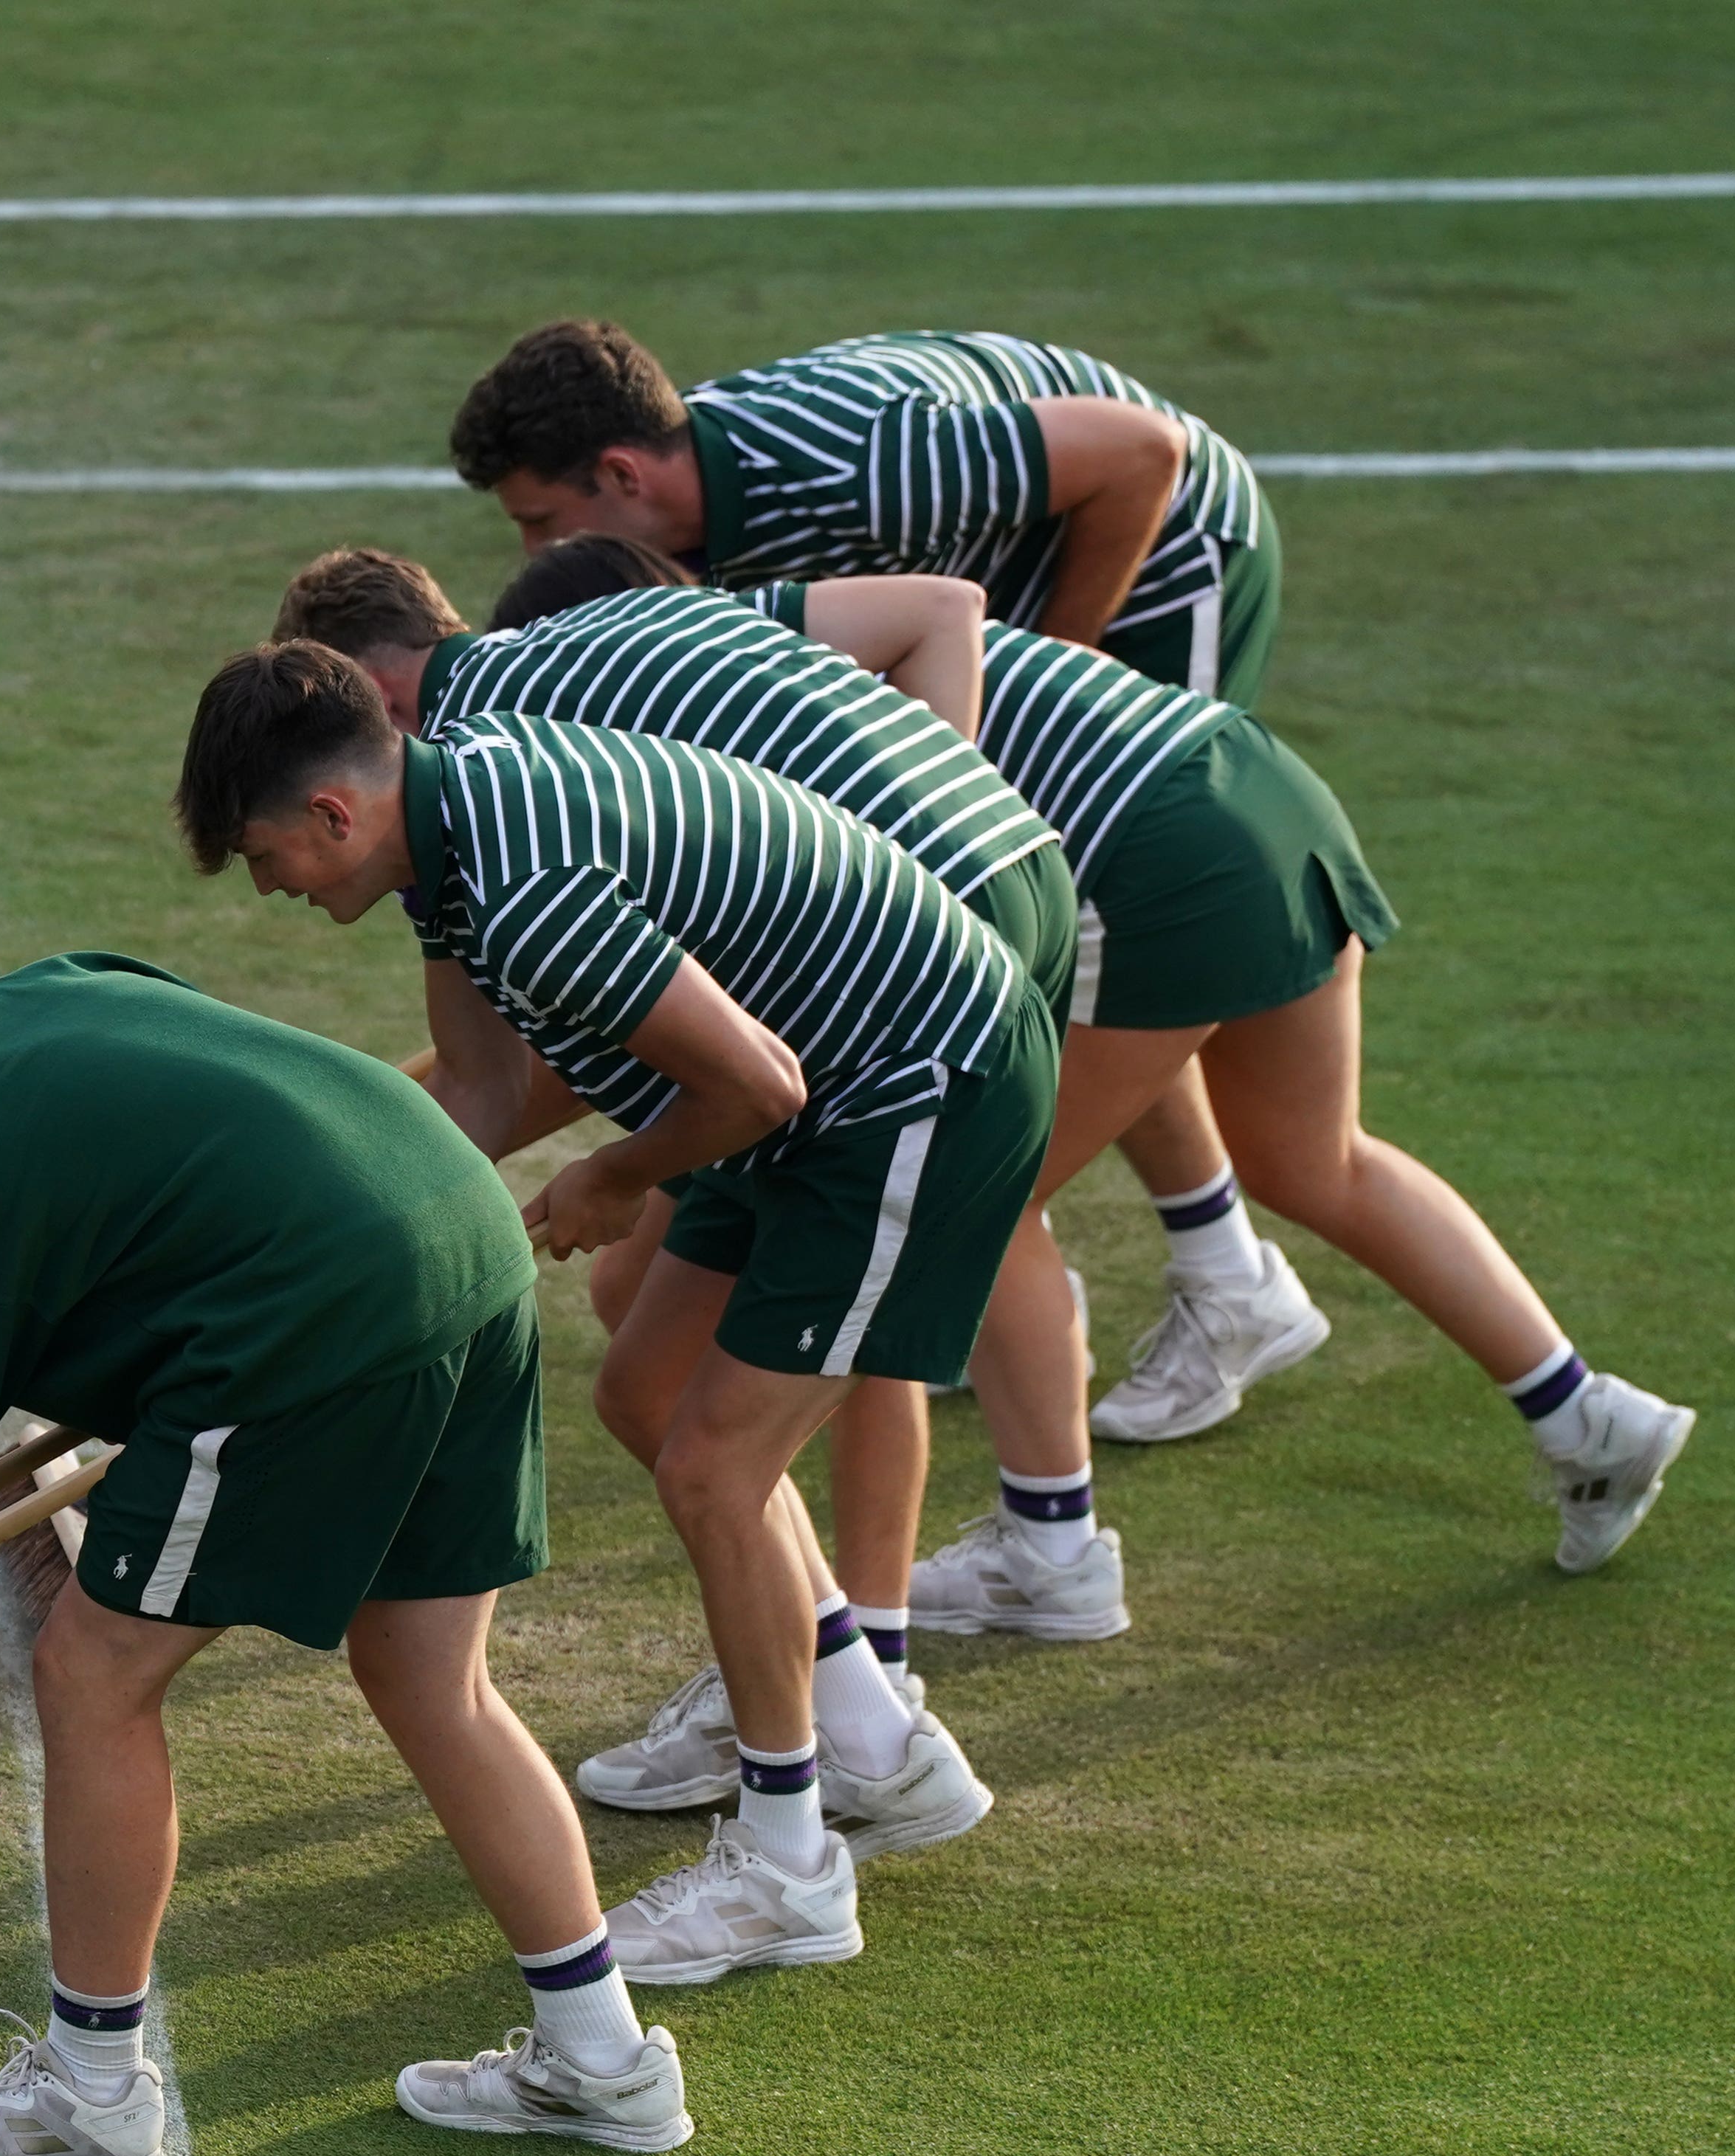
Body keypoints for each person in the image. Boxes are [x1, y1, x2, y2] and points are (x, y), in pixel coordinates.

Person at [508, 539, 1702, 1611]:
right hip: (1257, 795)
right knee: (1310, 1158)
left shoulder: (698, 742)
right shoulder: (754, 655)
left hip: (1151, 863)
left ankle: (1051, 1552)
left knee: (979, 1191)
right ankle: (1586, 1414)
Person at [0, 956, 696, 2156]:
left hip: (318, 1306)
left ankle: (89, 2094)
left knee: (93, 1674)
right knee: (433, 1680)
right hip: (458, 1232)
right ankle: (603, 2059)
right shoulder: (24, 1000)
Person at [178, 643, 1056, 1989]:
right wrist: (334, 1249)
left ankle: (788, 1869)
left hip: (910, 1086)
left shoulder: (524, 885)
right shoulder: (445, 849)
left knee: (717, 1467)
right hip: (808, 1084)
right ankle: (878, 1742)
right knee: (645, 1393)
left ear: (332, 815)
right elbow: (474, 1096)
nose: (268, 887)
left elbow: (750, 1088)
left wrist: (613, 1174)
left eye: (261, 854)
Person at [452, 317, 1331, 1434]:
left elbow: (1139, 455)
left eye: (542, 520)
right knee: (1067, 982)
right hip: (984, 626)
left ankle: (1178, 1311)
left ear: (622, 473)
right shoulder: (701, 545)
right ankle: (1217, 1264)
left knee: (1094, 964)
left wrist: (1051, 668)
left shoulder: (843, 468)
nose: (538, 556)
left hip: (1161, 567)